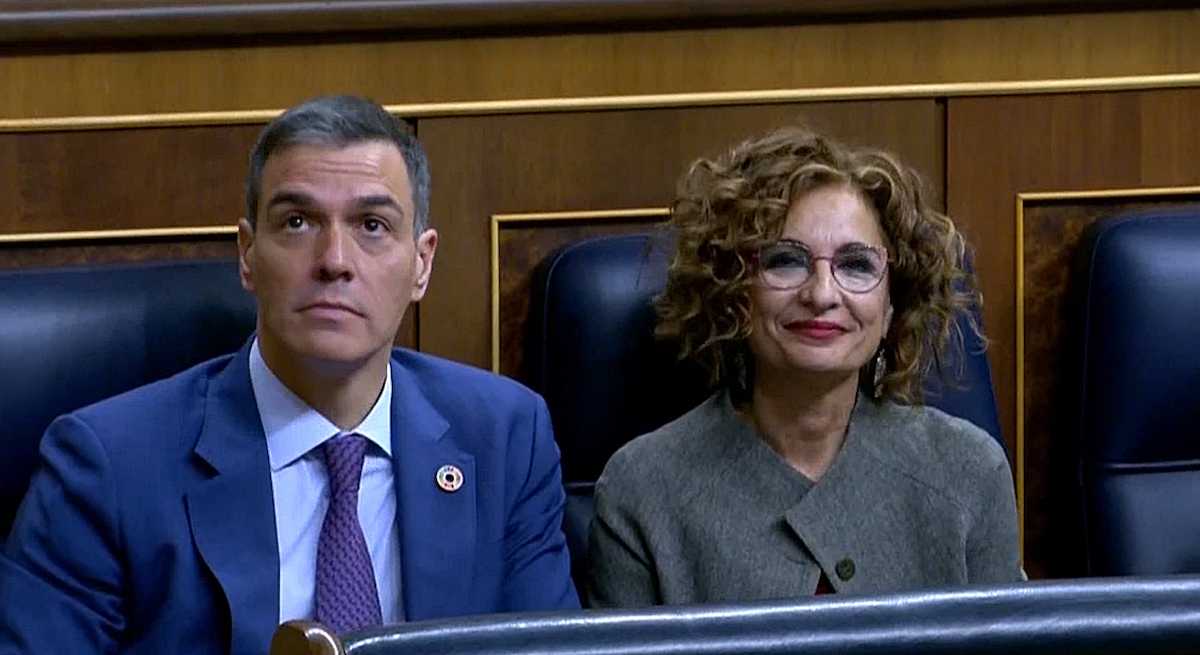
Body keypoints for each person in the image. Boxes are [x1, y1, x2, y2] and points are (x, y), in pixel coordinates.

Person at [0, 95, 578, 654]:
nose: (334, 260)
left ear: (421, 264)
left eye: (372, 225)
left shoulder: (504, 437)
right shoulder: (108, 466)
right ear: (248, 254)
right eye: (298, 222)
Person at [587, 127, 1022, 608]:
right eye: (785, 261)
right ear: (734, 291)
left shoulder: (969, 472)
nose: (821, 294)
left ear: (893, 303)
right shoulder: (642, 490)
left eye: (856, 265)